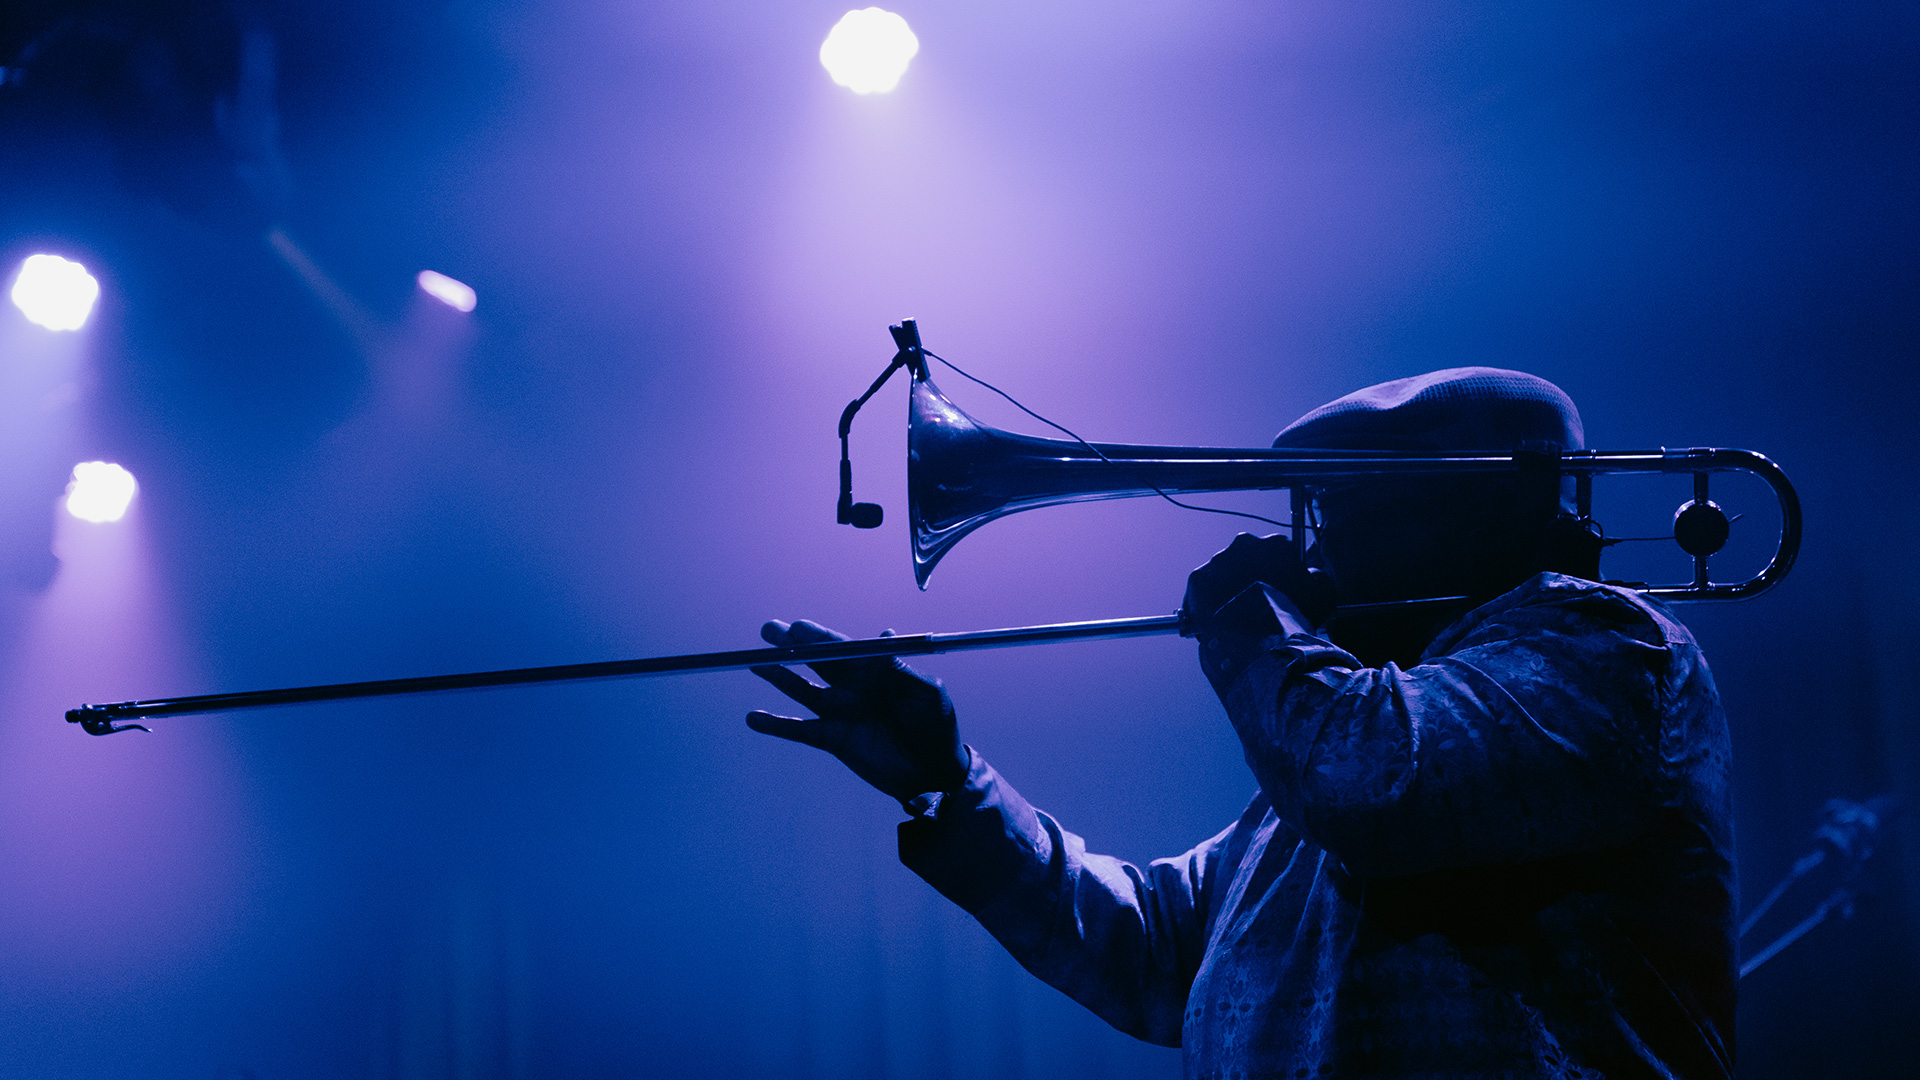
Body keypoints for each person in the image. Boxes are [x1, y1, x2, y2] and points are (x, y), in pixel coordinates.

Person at [748, 368, 1735, 1079]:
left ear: (1476, 515)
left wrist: (1249, 618)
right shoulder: (1338, 726)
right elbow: (1149, 958)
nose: (1318, 542)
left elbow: (1374, 786)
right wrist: (949, 783)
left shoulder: (1602, 648)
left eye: (1351, 511)